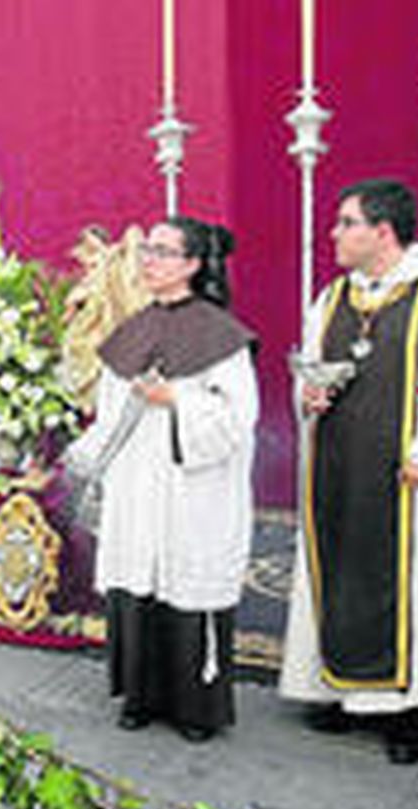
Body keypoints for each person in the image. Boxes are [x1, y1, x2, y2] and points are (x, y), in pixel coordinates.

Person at [280, 178, 418, 764]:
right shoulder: (331, 297)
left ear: (384, 230)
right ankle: (337, 687)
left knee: (410, 577)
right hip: (339, 462)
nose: (335, 233)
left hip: (408, 469)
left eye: (347, 222)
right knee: (339, 562)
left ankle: (412, 708)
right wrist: (308, 396)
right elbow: (311, 364)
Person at [66, 216, 259, 743]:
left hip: (189, 485)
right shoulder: (132, 330)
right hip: (136, 485)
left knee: (184, 582)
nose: (148, 259)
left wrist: (177, 399)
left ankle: (196, 708)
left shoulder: (221, 334)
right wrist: (82, 456)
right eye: (147, 249)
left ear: (194, 264)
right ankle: (141, 696)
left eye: (163, 251)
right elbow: (108, 414)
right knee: (138, 582)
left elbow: (238, 418)